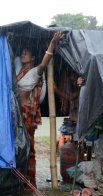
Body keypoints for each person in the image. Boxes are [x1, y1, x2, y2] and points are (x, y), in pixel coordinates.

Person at [15, 32, 64, 187]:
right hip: (17, 113)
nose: (23, 55)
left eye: (26, 53)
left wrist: (52, 44)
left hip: (26, 114)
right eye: (22, 52)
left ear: (33, 58)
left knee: (27, 147)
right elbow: (14, 57)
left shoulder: (35, 72)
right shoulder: (18, 71)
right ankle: (17, 179)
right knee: (17, 146)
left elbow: (45, 62)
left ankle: (28, 181)